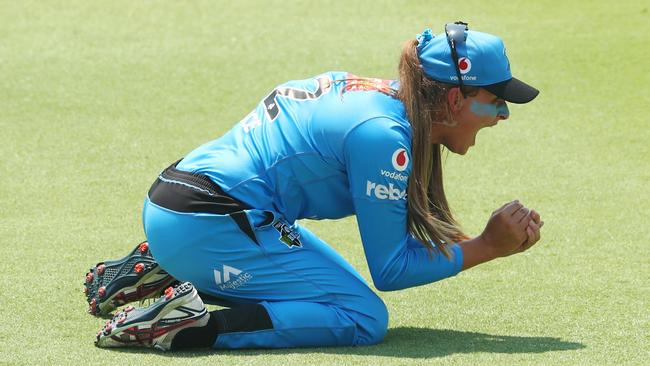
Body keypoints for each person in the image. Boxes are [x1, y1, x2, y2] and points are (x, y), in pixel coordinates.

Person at [85, 22, 544, 351]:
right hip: (213, 222)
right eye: (495, 101)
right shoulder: (383, 138)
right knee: (362, 316)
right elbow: (392, 270)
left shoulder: (369, 95)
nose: (503, 114)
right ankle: (187, 325)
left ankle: (163, 264)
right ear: (452, 97)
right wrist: (487, 246)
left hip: (181, 203)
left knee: (330, 287)